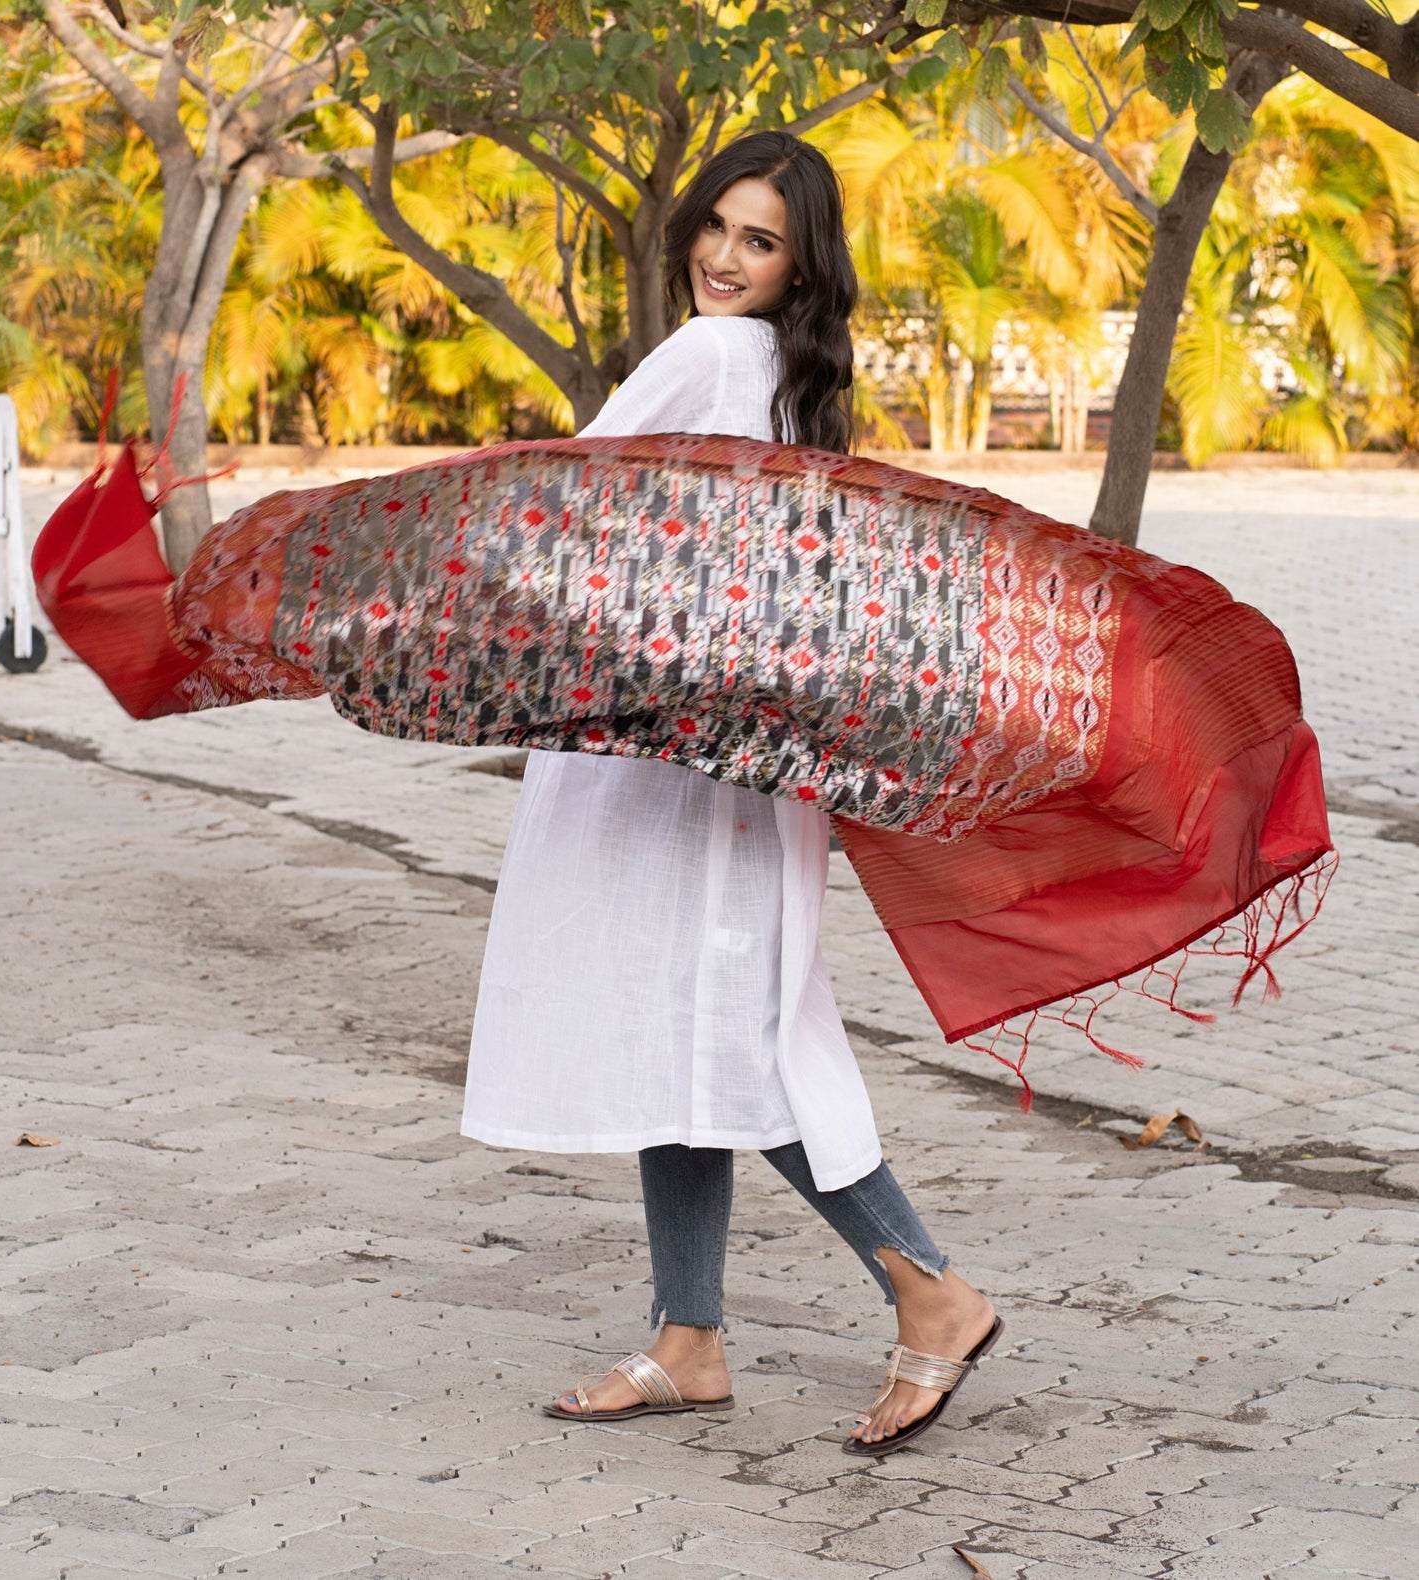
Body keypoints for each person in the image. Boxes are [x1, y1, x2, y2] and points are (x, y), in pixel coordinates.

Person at [459, 130, 1001, 1456]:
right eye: (716, 226)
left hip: (681, 770)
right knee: (684, 1032)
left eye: (758, 241)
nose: (721, 255)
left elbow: (565, 501)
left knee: (736, 1043)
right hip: (736, 767)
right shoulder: (796, 386)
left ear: (800, 263)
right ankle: (687, 1341)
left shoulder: (711, 358)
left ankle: (928, 1291)